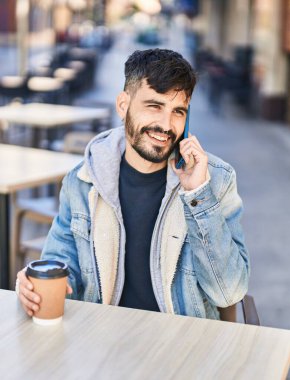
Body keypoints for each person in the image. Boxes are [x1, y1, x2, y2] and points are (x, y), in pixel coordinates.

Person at [17, 48, 250, 319]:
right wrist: (33, 284)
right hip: (101, 340)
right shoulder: (83, 181)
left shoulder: (216, 181)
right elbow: (61, 266)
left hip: (180, 347)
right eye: (154, 106)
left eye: (178, 111)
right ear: (123, 105)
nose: (166, 125)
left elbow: (229, 293)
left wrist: (198, 195)